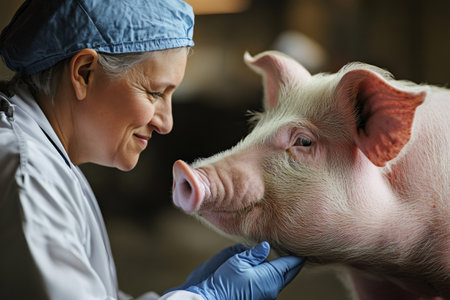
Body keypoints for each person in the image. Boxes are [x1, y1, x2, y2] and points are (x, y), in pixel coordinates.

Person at [0, 0, 306, 299]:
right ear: (84, 73)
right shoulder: (29, 177)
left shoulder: (46, 158)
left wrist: (184, 295)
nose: (166, 123)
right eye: (155, 92)